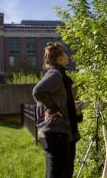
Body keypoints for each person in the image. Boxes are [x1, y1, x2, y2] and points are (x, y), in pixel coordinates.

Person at [32, 42, 82, 178]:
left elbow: (55, 98)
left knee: (64, 172)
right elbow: (37, 92)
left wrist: (70, 106)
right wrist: (53, 108)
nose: (68, 55)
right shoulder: (55, 74)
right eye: (65, 53)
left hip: (61, 131)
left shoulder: (58, 75)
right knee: (56, 174)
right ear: (60, 58)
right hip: (56, 132)